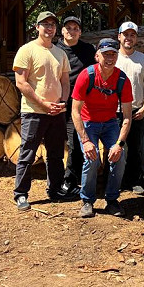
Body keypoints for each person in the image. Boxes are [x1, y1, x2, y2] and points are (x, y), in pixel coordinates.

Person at [12, 11, 72, 211]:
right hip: (34, 111)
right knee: (27, 153)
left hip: (56, 112)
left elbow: (65, 81)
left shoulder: (60, 53)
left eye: (52, 25)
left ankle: (54, 190)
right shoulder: (26, 50)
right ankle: (21, 194)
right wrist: (43, 103)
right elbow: (21, 83)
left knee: (55, 154)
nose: (49, 28)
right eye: (45, 24)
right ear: (37, 27)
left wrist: (62, 102)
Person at [71, 38, 133, 218]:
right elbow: (75, 111)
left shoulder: (122, 79)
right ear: (97, 56)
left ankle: (112, 200)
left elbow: (127, 116)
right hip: (88, 122)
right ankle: (87, 201)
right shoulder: (87, 75)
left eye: (113, 54)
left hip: (110, 123)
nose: (110, 58)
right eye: (106, 54)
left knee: (119, 156)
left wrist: (119, 144)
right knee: (91, 158)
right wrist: (85, 140)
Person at [54, 15, 97, 196]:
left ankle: (70, 180)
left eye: (75, 28)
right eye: (68, 28)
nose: (72, 31)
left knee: (75, 143)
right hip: (55, 100)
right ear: (62, 30)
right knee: (55, 142)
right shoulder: (54, 48)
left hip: (78, 103)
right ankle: (54, 180)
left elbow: (96, 72)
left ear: (80, 32)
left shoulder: (88, 50)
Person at [115, 21, 144, 194]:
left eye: (132, 35)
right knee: (115, 147)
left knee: (135, 149)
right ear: (119, 37)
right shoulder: (111, 57)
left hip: (136, 110)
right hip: (114, 111)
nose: (129, 38)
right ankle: (114, 181)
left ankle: (133, 180)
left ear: (136, 38)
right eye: (126, 34)